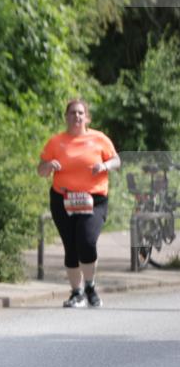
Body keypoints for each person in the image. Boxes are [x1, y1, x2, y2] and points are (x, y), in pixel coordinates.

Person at [37, 99, 120, 307]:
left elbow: (117, 161)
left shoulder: (99, 139)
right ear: (66, 117)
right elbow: (41, 171)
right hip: (62, 199)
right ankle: (77, 292)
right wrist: (48, 165)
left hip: (94, 199)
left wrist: (104, 166)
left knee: (87, 240)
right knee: (71, 246)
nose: (76, 117)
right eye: (72, 113)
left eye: (80, 113)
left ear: (87, 117)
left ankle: (90, 286)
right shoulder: (56, 142)